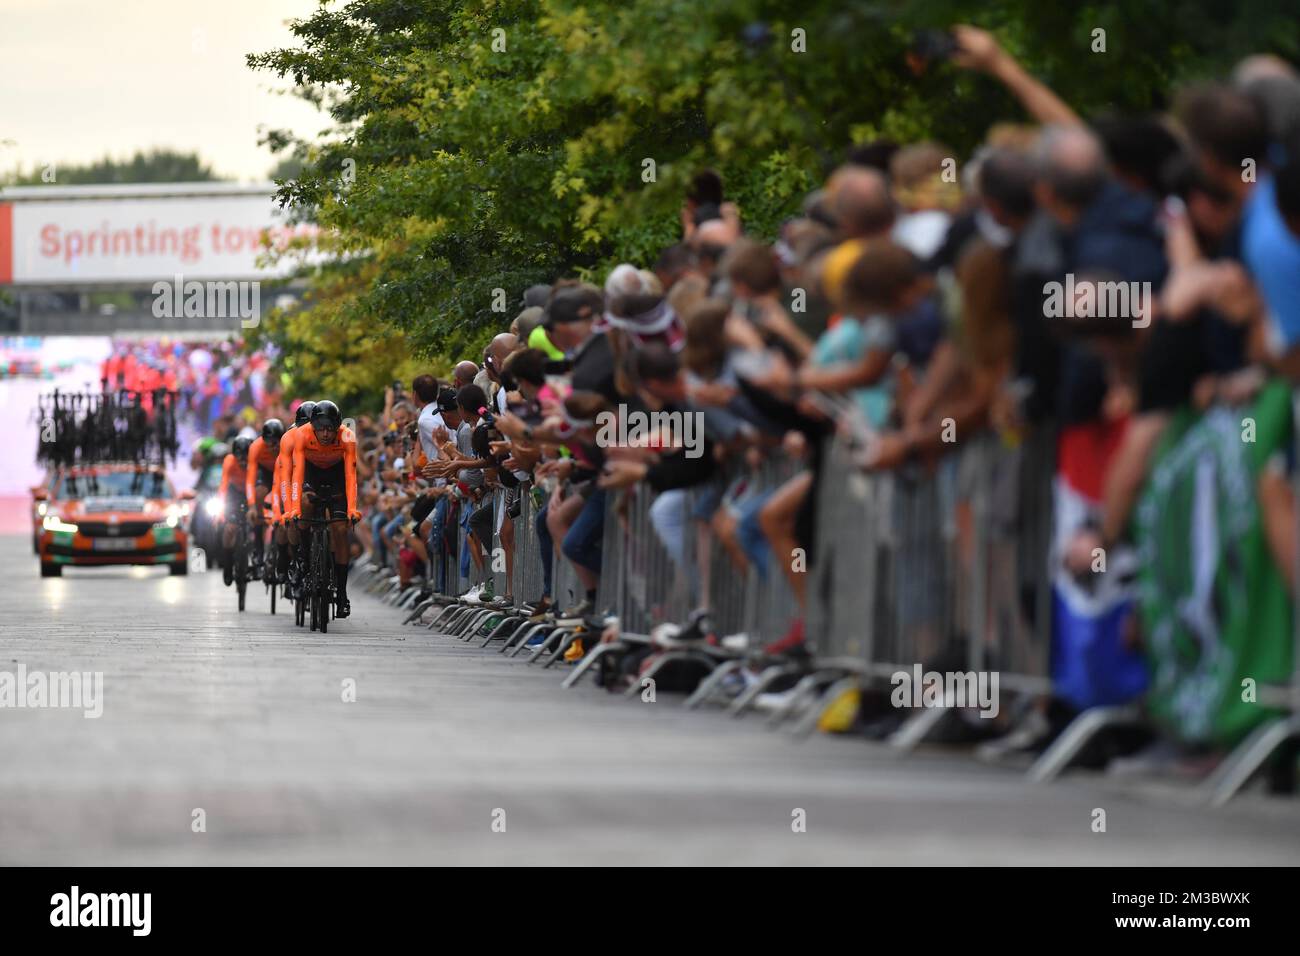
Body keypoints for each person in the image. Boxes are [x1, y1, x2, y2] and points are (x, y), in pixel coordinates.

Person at [287, 400, 361, 618]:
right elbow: (297, 474)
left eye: (331, 429)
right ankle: (304, 554)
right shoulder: (301, 435)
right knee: (306, 504)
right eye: (321, 429)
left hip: (337, 476)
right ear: (313, 426)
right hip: (311, 475)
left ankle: (342, 593)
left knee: (339, 529)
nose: (326, 434)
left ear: (338, 427)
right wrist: (293, 508)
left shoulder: (347, 436)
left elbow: (351, 475)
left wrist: (352, 509)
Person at [245, 418, 284, 577]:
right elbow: (250, 479)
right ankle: (258, 550)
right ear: (263, 440)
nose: (274, 447)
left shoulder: (287, 444)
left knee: (282, 497)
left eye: (277, 442)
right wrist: (253, 507)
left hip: (282, 470)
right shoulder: (256, 447)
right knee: (259, 491)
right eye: (270, 443)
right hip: (265, 472)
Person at [218, 436, 252, 587]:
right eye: (240, 458)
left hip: (249, 492)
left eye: (246, 458)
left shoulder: (254, 461)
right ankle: (228, 564)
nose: (243, 461)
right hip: (234, 493)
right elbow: (223, 486)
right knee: (230, 528)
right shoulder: (229, 461)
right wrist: (221, 509)